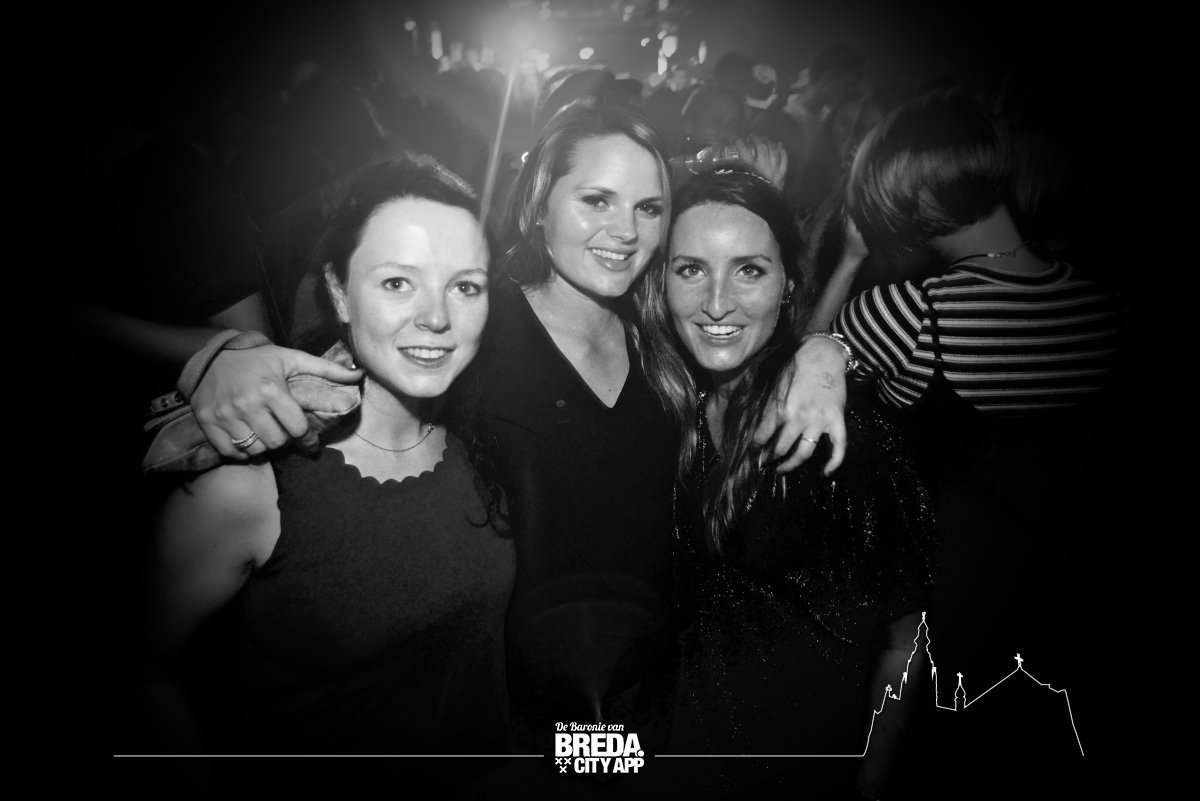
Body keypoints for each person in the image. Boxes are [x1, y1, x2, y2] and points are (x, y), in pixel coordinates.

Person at [165, 101, 853, 767]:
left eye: (648, 208)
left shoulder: (664, 340)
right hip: (508, 709)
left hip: (645, 698)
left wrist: (827, 352)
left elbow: (747, 335)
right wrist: (229, 360)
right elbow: (353, 358)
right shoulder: (474, 322)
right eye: (596, 200)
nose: (624, 230)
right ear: (540, 203)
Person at [137, 157, 514, 777]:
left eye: (466, 286)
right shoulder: (248, 484)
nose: (437, 317)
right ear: (338, 291)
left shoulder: (483, 440)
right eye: (398, 282)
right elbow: (142, 670)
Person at [820, 90, 1131, 796]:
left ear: (906, 198)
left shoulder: (906, 313)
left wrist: (847, 258)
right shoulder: (1107, 309)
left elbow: (800, 383)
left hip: (935, 639)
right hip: (1058, 624)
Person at [635, 167, 935, 799]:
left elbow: (907, 636)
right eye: (690, 269)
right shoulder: (669, 411)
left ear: (788, 283)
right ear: (661, 282)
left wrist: (870, 783)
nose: (717, 302)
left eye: (749, 270)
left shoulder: (842, 439)